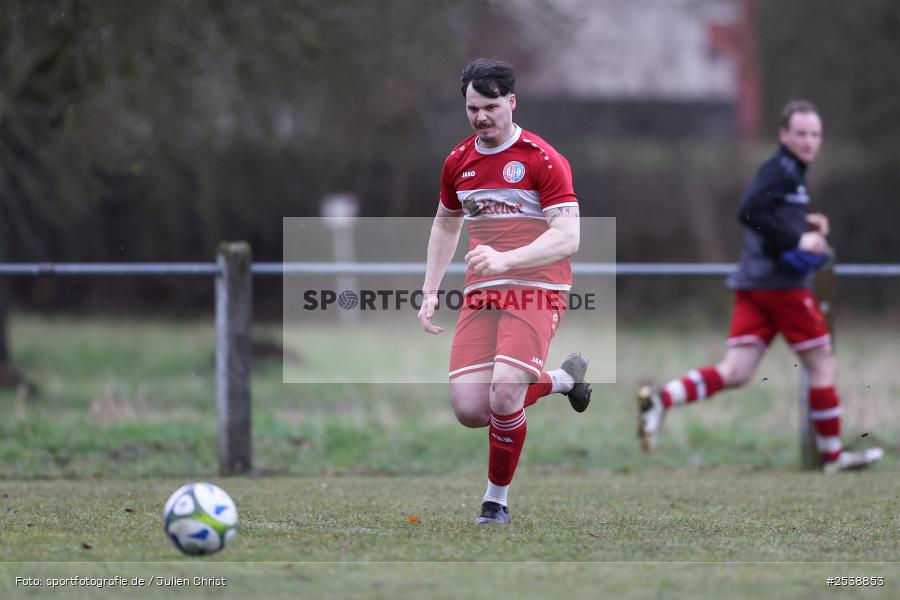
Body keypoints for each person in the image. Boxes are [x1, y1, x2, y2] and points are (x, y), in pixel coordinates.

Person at [636, 100, 883, 474]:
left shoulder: (791, 173)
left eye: (814, 134)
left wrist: (804, 228)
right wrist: (799, 241)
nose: (808, 140)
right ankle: (832, 457)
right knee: (822, 363)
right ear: (784, 135)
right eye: (800, 133)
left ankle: (660, 400)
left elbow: (771, 219)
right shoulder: (780, 168)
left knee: (737, 370)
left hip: (755, 284)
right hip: (780, 286)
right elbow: (748, 211)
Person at [418, 58, 591, 525]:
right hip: (482, 291)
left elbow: (568, 237)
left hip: (537, 285)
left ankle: (496, 502)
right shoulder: (458, 162)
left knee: (504, 395)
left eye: (491, 106)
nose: (481, 117)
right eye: (473, 108)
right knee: (471, 408)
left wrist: (508, 260)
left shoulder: (542, 159)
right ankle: (563, 381)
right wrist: (430, 289)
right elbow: (445, 223)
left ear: (512, 102)